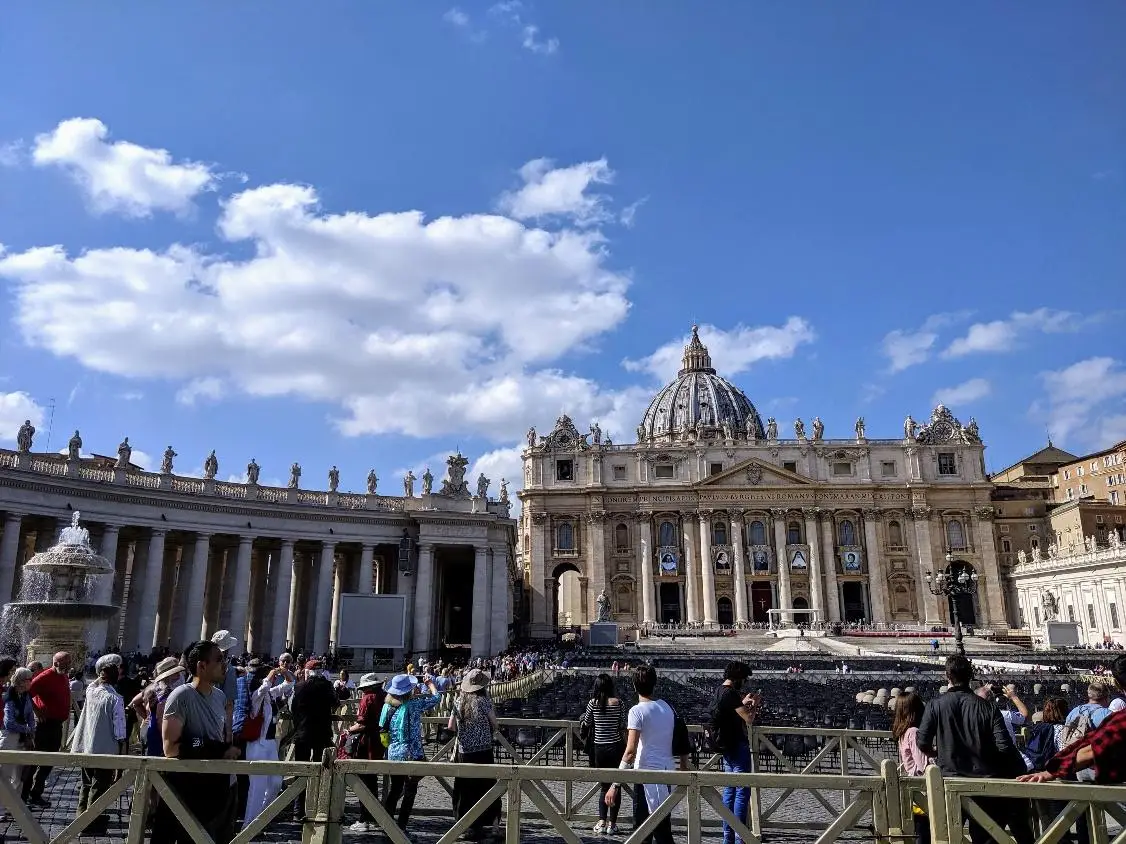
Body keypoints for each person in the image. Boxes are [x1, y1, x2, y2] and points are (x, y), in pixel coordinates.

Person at [916, 655, 1030, 844]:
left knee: (948, 837)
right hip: (984, 783)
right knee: (984, 838)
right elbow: (1005, 747)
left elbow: (922, 742)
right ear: (971, 676)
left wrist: (939, 753)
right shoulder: (989, 708)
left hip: (949, 781)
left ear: (947, 675)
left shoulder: (935, 704)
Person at [154, 639, 240, 844]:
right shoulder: (181, 696)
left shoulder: (219, 696)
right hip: (192, 791)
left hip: (221, 786)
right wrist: (215, 748)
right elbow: (171, 748)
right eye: (219, 660)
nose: (225, 664)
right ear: (202, 666)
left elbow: (220, 736)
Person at [606, 664, 688, 844]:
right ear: (655, 683)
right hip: (667, 774)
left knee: (643, 832)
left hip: (646, 775)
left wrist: (615, 783)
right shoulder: (667, 707)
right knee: (662, 828)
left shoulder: (636, 711)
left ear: (634, 686)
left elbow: (630, 752)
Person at [68, 654, 126, 836]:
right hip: (105, 750)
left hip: (87, 746)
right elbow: (119, 731)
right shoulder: (116, 699)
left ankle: (80, 816)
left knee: (86, 784)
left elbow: (94, 682)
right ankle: (90, 822)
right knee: (99, 787)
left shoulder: (91, 692)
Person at [381, 673, 442, 834]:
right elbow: (436, 699)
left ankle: (387, 824)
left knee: (395, 789)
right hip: (411, 753)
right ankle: (402, 825)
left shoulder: (387, 705)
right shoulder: (414, 705)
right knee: (410, 790)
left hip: (393, 753)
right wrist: (430, 685)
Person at [710, 661, 761, 844]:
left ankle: (727, 837)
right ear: (738, 678)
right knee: (741, 791)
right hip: (737, 745)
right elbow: (749, 718)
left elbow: (730, 711)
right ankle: (740, 836)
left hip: (726, 746)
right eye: (744, 679)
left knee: (730, 790)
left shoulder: (718, 691)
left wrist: (743, 702)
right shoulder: (731, 693)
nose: (744, 683)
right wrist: (754, 704)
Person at [450, 669, 500, 841]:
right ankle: (491, 825)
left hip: (465, 752)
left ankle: (465, 826)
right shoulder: (484, 702)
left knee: (464, 789)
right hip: (484, 751)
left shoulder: (458, 701)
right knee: (486, 787)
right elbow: (495, 723)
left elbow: (451, 727)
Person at [243, 662, 294, 827]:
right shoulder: (256, 695)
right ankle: (248, 825)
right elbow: (264, 687)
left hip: (270, 743)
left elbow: (289, 684)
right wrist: (271, 674)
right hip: (257, 744)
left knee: (275, 783)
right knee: (257, 788)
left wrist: (285, 672)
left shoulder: (270, 694)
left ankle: (261, 819)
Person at [23, 650, 72, 806]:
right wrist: (36, 710)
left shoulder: (63, 675)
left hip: (57, 725)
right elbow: (26, 694)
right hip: (44, 725)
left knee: (49, 760)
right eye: (66, 663)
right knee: (35, 760)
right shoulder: (44, 677)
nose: (69, 666)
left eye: (69, 663)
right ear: (56, 663)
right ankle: (23, 795)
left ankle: (36, 792)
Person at [581, 673, 627, 835]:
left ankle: (601, 822)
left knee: (604, 787)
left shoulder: (592, 704)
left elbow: (586, 723)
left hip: (599, 749)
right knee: (616, 785)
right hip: (615, 747)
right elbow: (622, 725)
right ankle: (612, 824)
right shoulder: (619, 703)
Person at [345, 673, 387, 835]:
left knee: (363, 782)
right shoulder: (384, 696)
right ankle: (374, 817)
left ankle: (364, 819)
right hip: (380, 742)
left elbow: (362, 724)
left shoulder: (368, 698)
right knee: (373, 781)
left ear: (368, 687)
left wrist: (348, 730)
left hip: (366, 743)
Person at [892, 692, 932, 844]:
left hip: (913, 788)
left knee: (920, 832)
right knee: (924, 834)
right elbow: (923, 765)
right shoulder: (913, 732)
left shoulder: (903, 731)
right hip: (921, 789)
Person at [0, 668, 35, 806]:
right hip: (10, 737)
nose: (31, 682)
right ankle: (0, 809)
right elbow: (9, 723)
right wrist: (26, 729)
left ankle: (13, 806)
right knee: (5, 774)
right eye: (29, 679)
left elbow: (30, 715)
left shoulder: (26, 695)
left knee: (19, 776)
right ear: (21, 681)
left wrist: (32, 729)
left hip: (22, 737)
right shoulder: (9, 695)